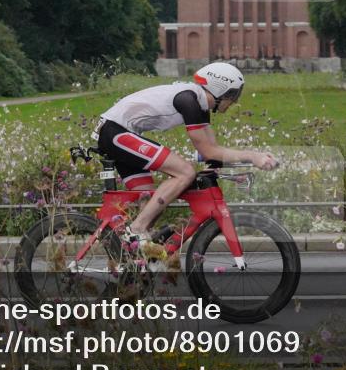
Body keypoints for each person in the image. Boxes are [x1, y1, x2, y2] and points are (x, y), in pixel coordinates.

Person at [94, 62, 277, 250]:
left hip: (121, 132)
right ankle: (137, 229)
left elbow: (212, 150)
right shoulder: (189, 101)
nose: (235, 101)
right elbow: (208, 151)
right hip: (114, 132)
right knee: (185, 173)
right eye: (233, 95)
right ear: (220, 90)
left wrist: (238, 163)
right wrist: (252, 156)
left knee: (150, 201)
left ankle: (132, 256)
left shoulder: (199, 103)